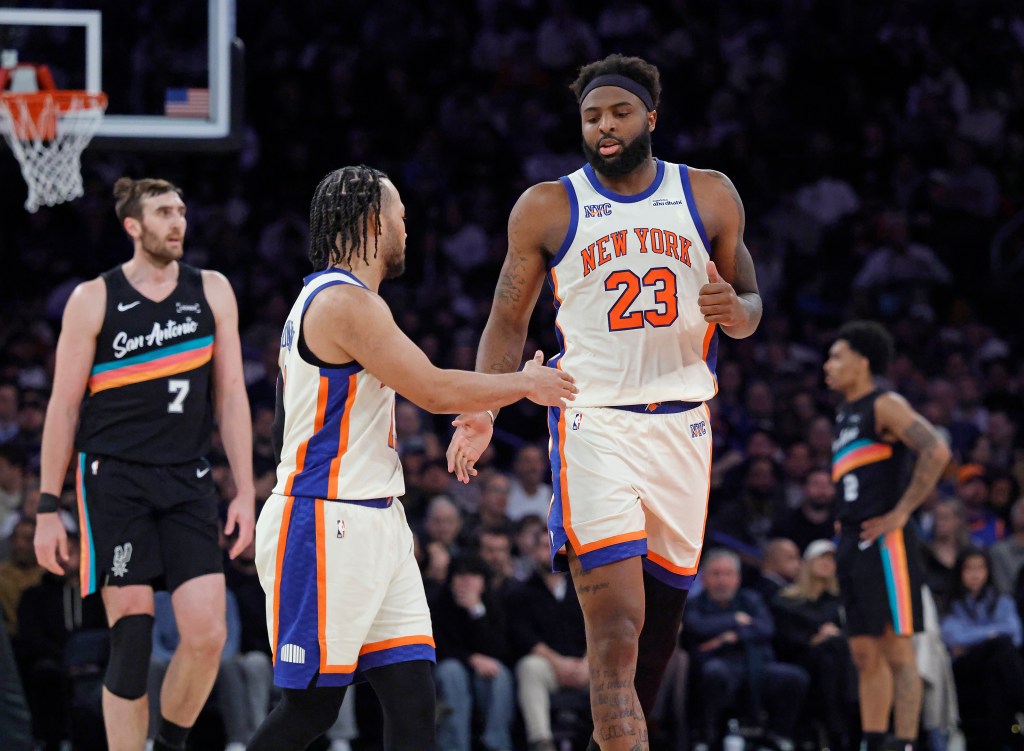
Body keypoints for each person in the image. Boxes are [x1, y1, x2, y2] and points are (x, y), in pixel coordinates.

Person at [447, 53, 762, 750]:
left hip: (684, 426)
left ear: (650, 117)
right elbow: (508, 320)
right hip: (593, 426)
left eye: (618, 113)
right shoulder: (547, 205)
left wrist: (732, 311)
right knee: (616, 631)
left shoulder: (708, 194)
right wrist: (484, 408)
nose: (604, 127)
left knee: (660, 634)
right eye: (592, 117)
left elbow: (751, 303)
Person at [249, 165, 576, 751]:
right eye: (401, 215)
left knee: (413, 702)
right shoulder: (342, 303)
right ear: (375, 221)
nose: (408, 227)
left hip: (379, 517)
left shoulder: (352, 301)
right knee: (310, 709)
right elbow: (431, 389)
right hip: (326, 520)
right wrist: (524, 384)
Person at [33, 177, 256, 751]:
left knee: (208, 637)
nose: (178, 221)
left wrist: (246, 492)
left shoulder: (212, 290)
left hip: (188, 479)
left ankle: (168, 745)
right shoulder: (94, 298)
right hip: (114, 480)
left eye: (181, 210)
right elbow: (62, 407)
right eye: (163, 212)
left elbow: (231, 394)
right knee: (132, 640)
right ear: (133, 226)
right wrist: (46, 507)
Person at [825, 320, 951, 751]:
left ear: (862, 361)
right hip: (851, 542)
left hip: (886, 542)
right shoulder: (843, 415)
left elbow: (936, 448)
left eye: (836, 356)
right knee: (864, 654)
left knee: (898, 652)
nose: (828, 365)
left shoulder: (885, 403)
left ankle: (905, 742)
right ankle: (874, 741)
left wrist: (901, 512)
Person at [683, 548, 808, 751]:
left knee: (795, 678)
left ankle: (777, 736)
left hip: (756, 663)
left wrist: (732, 636)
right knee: (714, 673)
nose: (722, 581)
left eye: (727, 574)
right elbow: (696, 626)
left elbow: (766, 628)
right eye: (716, 574)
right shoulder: (695, 604)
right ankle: (707, 736)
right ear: (704, 578)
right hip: (717, 663)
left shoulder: (751, 599)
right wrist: (734, 619)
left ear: (737, 578)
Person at [770, 539, 856, 751]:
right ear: (807, 563)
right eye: (822, 558)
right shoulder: (786, 600)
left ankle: (837, 725)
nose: (827, 563)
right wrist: (814, 639)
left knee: (833, 650)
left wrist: (834, 636)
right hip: (800, 659)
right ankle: (837, 728)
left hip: (835, 663)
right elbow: (784, 639)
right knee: (830, 651)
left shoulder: (840, 603)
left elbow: (854, 635)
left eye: (832, 559)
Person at [940, 547, 1024, 750]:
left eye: (980, 568)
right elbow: (951, 636)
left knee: (997, 661)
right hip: (965, 672)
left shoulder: (1001, 599)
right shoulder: (951, 602)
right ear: (960, 572)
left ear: (988, 571)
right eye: (969, 569)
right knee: (1000, 648)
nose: (975, 574)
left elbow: (1016, 633)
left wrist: (975, 638)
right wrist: (991, 634)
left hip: (991, 671)